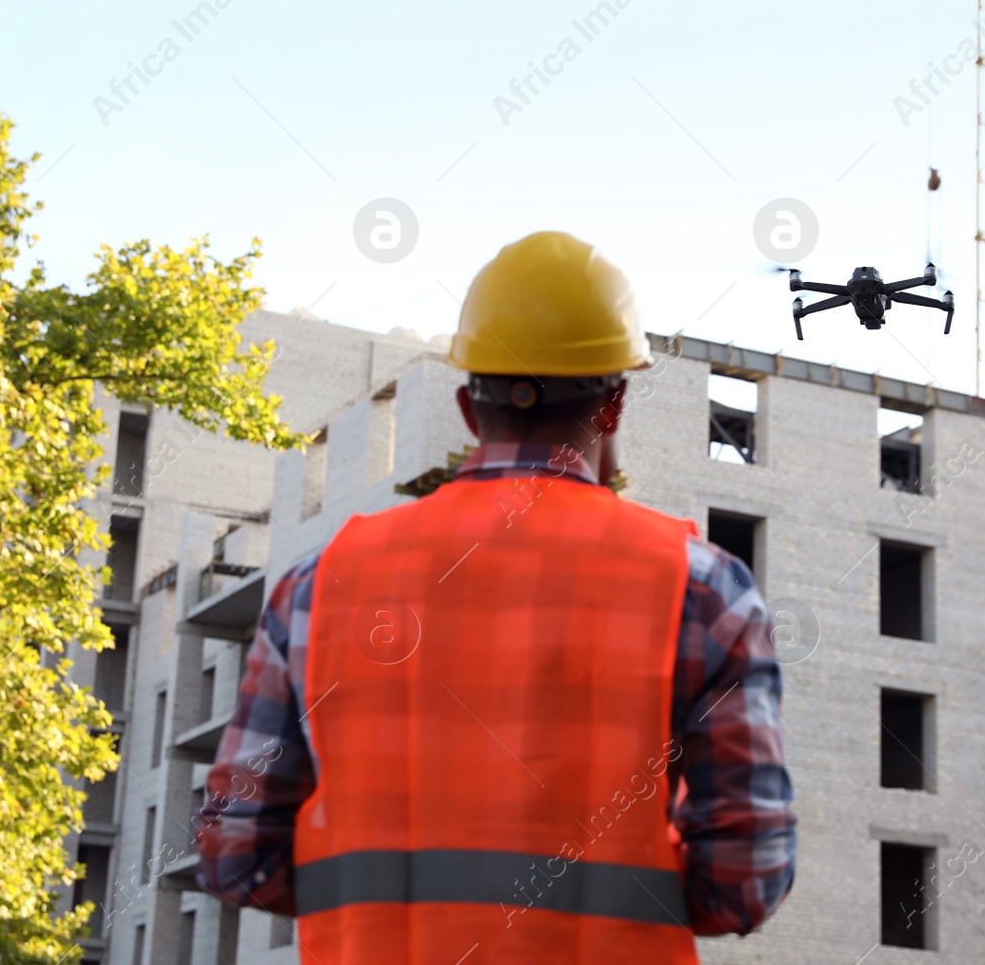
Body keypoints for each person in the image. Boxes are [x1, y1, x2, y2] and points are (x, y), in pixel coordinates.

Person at [196, 231, 796, 961]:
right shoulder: (704, 590)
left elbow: (233, 851)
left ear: (469, 408)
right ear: (614, 405)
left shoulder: (318, 587)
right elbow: (747, 882)